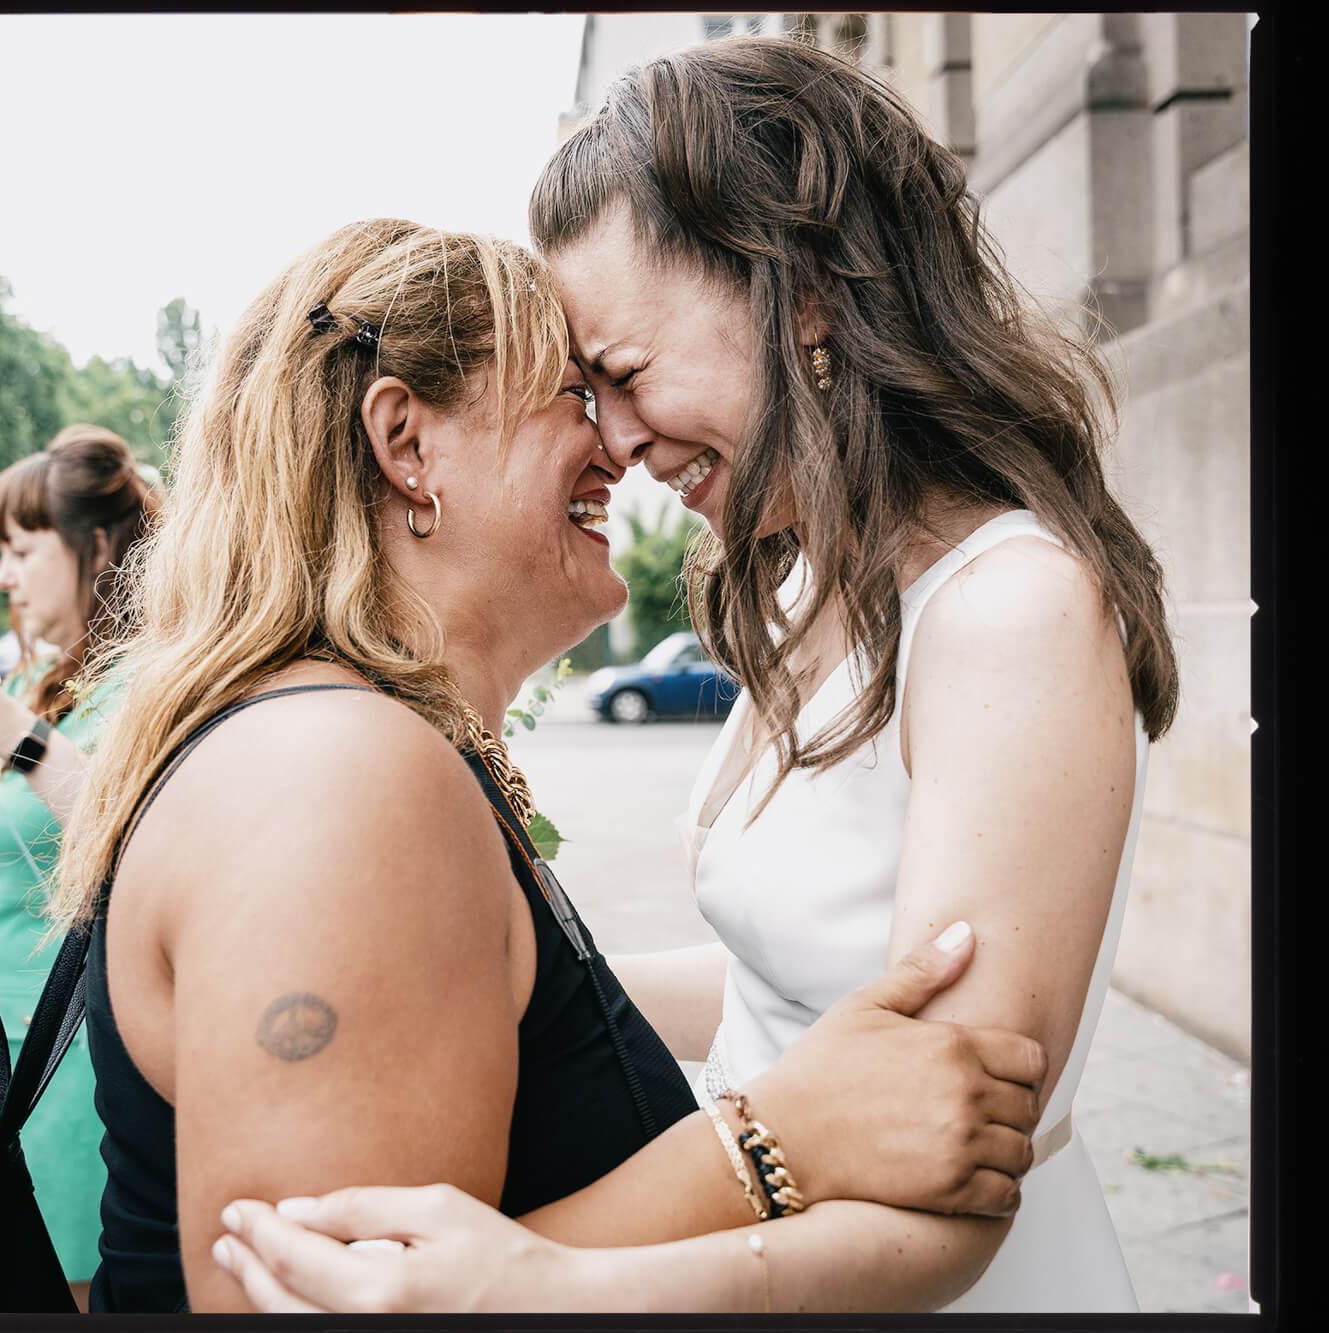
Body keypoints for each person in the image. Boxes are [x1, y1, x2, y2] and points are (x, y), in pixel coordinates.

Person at [212, 35, 1178, 1314]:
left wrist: (544, 1286)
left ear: (808, 295)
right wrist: (507, 991)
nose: (611, 441)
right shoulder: (804, 580)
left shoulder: (1012, 611)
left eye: (623, 374)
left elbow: (953, 1164)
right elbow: (806, 987)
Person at [45, 217, 1047, 1314]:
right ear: (407, 443)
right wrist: (773, 1140)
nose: (620, 443)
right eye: (576, 393)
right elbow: (319, 1296)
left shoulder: (352, 742)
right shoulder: (336, 773)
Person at [0, 424, 163, 1308]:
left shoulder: (140, 686)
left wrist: (22, 740)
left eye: (21, 549)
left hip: (55, 1078)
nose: (2, 577)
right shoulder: (47, 680)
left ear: (98, 545)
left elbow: (134, 846)